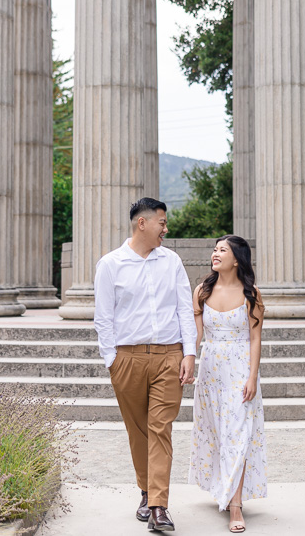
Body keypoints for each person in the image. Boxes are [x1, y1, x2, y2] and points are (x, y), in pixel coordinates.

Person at [93, 197, 198, 532]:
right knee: (138, 432)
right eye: (162, 223)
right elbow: (103, 317)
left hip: (169, 356)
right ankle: (146, 490)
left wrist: (190, 353)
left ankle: (158, 506)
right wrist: (112, 360)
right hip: (128, 358)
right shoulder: (110, 264)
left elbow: (185, 309)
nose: (166, 229)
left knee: (160, 429)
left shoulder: (172, 261)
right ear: (143, 223)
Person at [188, 235, 268, 533]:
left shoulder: (252, 294)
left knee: (239, 433)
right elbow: (196, 335)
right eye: (215, 249)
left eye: (223, 250)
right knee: (217, 433)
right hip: (210, 370)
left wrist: (252, 376)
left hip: (240, 369)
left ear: (237, 259)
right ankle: (223, 487)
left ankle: (236, 507)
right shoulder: (202, 290)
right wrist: (187, 361)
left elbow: (256, 337)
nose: (215, 253)